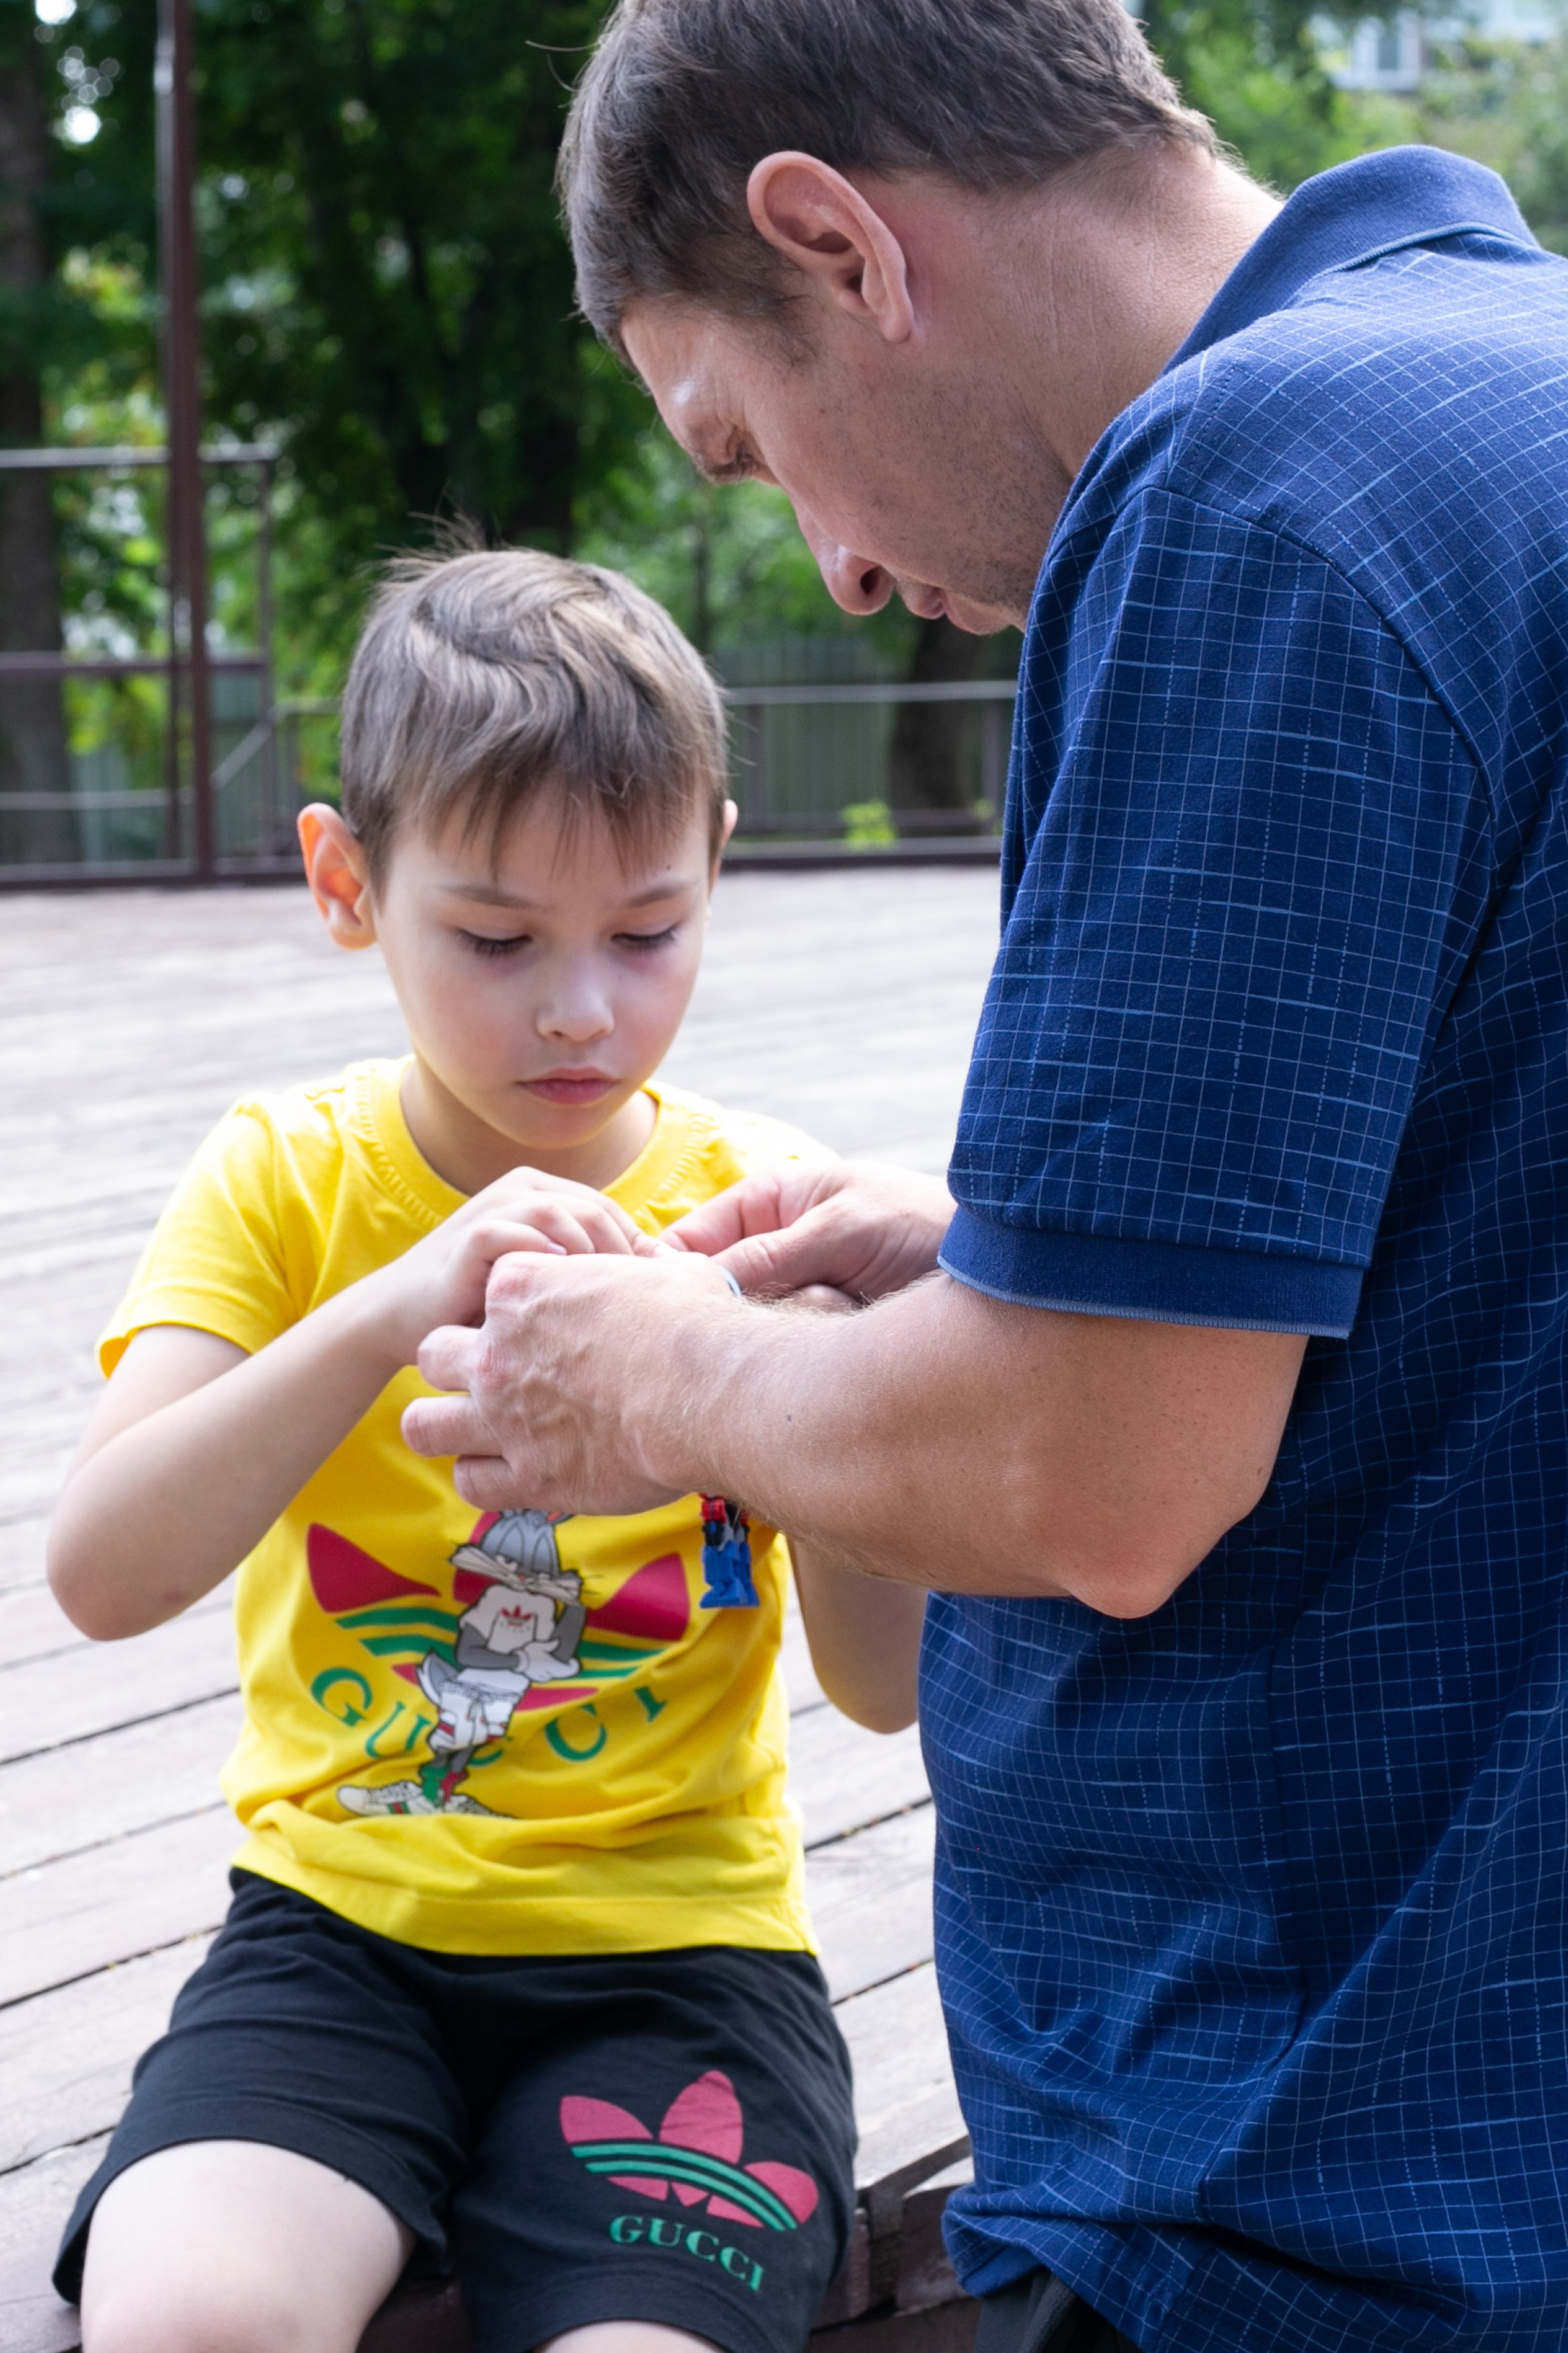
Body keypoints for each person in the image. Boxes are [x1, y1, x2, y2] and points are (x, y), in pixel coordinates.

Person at [396, 5, 1568, 2350]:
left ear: (834, 242)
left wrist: (668, 1377)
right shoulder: (1508, 382)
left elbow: (1089, 1467)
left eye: (748, 444)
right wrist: (1001, 1258)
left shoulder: (1252, 492)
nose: (828, 566)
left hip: (1304, 2190)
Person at [45, 547, 925, 2353]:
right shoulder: (284, 1177)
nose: (583, 1009)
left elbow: (886, 1686)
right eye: (502, 940)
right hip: (335, 1933)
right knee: (191, 2314)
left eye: (650, 930)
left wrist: (814, 1389)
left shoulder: (760, 1215)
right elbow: (101, 1566)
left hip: (683, 1972)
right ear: (346, 882)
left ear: (719, 863)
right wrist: (385, 1307)